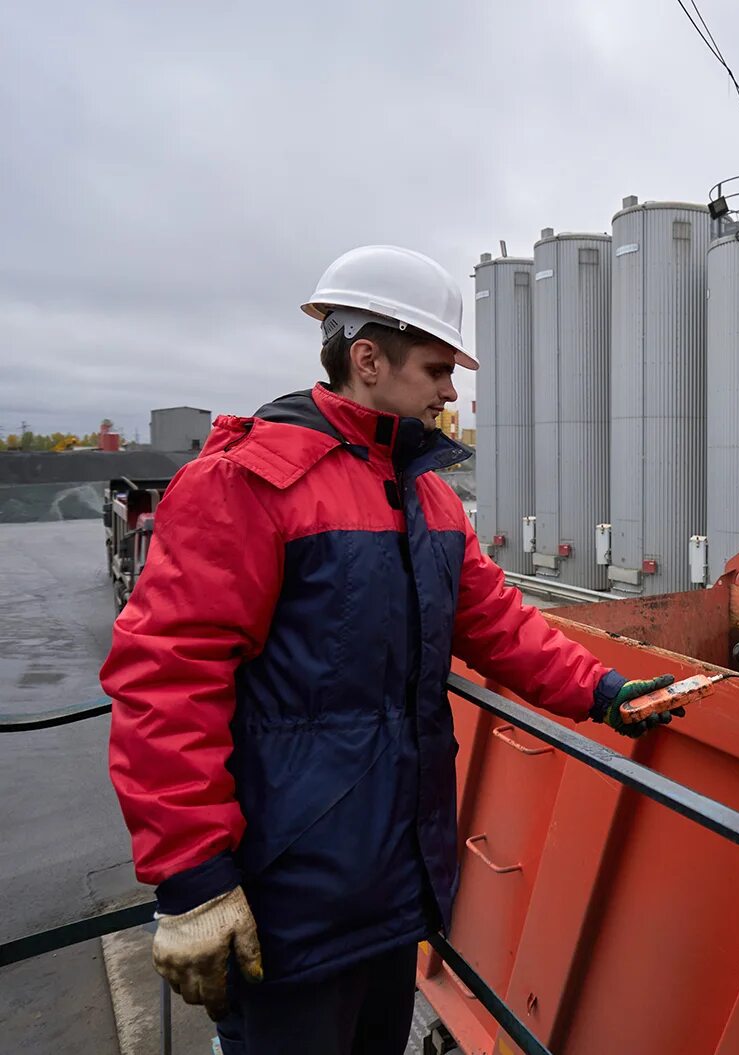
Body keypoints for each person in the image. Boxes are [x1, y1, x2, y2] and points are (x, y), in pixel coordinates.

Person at [101, 245, 679, 1053]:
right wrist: (193, 880)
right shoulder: (247, 482)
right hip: (284, 904)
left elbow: (498, 623)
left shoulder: (428, 495)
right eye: (439, 368)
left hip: (393, 888)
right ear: (367, 358)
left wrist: (605, 691)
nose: (451, 392)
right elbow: (167, 678)